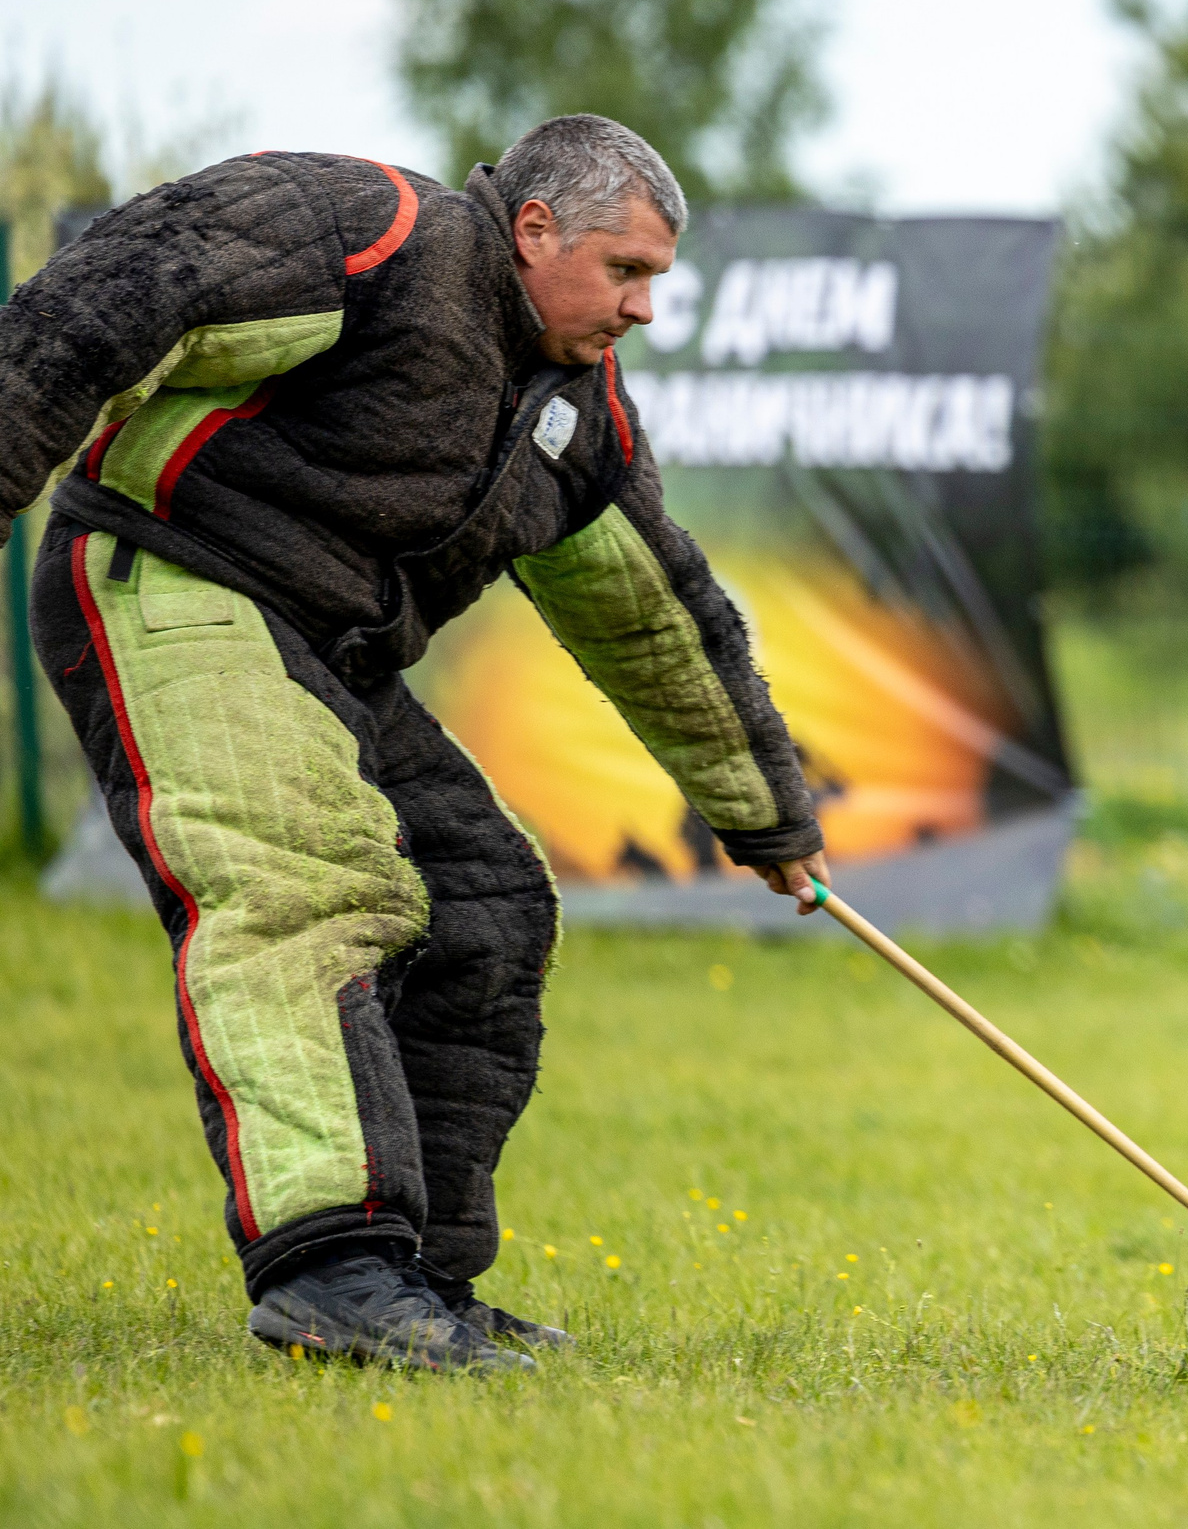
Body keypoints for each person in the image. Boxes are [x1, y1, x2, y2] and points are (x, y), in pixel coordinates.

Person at [0, 115, 829, 1373]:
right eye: (626, 271)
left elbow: (657, 621)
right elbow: (112, 299)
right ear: (535, 228)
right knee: (307, 881)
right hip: (168, 581)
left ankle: (417, 1282)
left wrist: (767, 815)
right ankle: (329, 1266)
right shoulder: (372, 235)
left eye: (657, 280)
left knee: (486, 904)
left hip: (325, 653)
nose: (645, 309)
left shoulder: (577, 415)